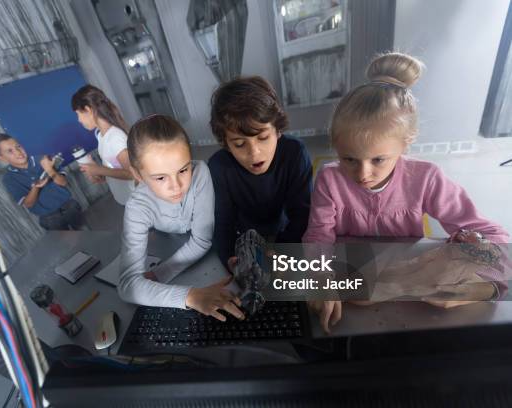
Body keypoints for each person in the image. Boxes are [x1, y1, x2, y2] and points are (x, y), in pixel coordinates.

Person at [302, 52, 509, 333]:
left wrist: (481, 287)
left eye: (378, 160)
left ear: (405, 145)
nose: (363, 174)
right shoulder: (329, 179)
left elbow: (497, 240)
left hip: (413, 285)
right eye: (349, 159)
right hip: (351, 275)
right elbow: (318, 236)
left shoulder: (426, 178)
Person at [118, 115, 244, 322]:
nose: (176, 186)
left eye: (183, 170)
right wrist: (191, 296)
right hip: (171, 244)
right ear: (138, 175)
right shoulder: (137, 206)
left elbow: (202, 240)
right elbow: (127, 286)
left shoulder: (200, 172)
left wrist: (161, 273)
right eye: (160, 178)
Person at [208, 76, 312, 271]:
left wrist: (279, 252)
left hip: (285, 234)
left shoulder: (295, 153)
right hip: (243, 240)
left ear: (278, 131)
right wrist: (231, 258)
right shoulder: (219, 166)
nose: (254, 153)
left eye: (263, 137)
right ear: (227, 144)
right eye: (239, 144)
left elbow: (303, 215)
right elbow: (223, 223)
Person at [0, 133, 85, 230]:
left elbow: (63, 182)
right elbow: (28, 203)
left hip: (70, 206)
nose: (18, 152)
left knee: (86, 234)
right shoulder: (9, 179)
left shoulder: (43, 159)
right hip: (49, 218)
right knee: (67, 244)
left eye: (18, 146)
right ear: (2, 158)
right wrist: (36, 186)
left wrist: (49, 170)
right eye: (10, 151)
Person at [71, 84, 134, 205]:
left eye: (78, 114)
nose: (78, 120)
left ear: (88, 110)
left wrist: (99, 169)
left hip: (138, 203)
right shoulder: (101, 136)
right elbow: (115, 168)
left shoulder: (115, 137)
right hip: (125, 200)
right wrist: (100, 173)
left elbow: (132, 173)